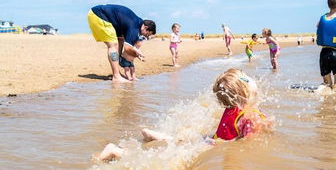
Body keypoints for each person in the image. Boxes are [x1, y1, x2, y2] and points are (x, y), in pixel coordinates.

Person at [96, 68, 270, 162]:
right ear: (245, 91)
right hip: (210, 147)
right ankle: (117, 152)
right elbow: (248, 146)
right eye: (247, 77)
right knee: (162, 160)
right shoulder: (249, 116)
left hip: (211, 141)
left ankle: (156, 136)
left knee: (181, 143)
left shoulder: (234, 109)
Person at [87, 4, 156, 82]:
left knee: (120, 40)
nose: (145, 37)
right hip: (99, 15)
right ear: (145, 27)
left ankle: (117, 73)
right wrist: (136, 54)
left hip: (100, 15)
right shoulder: (134, 26)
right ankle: (116, 76)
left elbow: (122, 41)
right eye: (147, 34)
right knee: (113, 45)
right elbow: (127, 48)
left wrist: (122, 56)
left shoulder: (137, 22)